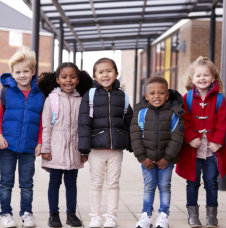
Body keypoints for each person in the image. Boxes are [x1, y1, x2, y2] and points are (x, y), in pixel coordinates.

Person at [78, 57, 133, 228]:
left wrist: (131, 144)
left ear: (116, 73)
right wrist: (84, 149)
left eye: (109, 71)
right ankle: (95, 216)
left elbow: (129, 120)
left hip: (116, 147)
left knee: (113, 183)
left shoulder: (122, 95)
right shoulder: (90, 95)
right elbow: (84, 121)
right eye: (100, 72)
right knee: (96, 183)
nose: (105, 75)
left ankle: (111, 216)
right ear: (95, 76)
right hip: (96, 148)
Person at [38, 62, 93, 227]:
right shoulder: (51, 100)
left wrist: (84, 151)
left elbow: (84, 128)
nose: (68, 80)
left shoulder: (81, 100)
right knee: (54, 183)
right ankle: (53, 214)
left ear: (77, 79)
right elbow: (47, 126)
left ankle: (71, 214)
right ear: (57, 79)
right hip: (55, 149)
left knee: (71, 184)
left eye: (72, 76)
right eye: (64, 77)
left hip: (74, 150)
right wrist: (46, 149)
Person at [176, 56, 226, 228]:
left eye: (206, 75)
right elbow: (183, 120)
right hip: (193, 148)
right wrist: (190, 138)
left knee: (211, 181)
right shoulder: (187, 98)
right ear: (192, 79)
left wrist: (218, 142)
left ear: (213, 78)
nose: (202, 79)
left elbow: (223, 122)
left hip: (212, 148)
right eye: (198, 76)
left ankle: (212, 216)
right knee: (192, 182)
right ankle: (193, 215)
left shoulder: (219, 99)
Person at [130, 76, 184, 228]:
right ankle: (146, 214)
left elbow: (177, 138)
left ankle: (163, 215)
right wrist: (142, 158)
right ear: (146, 96)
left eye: (161, 93)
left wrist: (167, 158)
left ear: (167, 95)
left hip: (166, 161)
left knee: (165, 186)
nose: (156, 96)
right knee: (148, 186)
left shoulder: (174, 114)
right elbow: (135, 136)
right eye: (152, 93)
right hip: (147, 160)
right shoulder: (141, 113)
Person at [0, 46, 44, 228]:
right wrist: (0, 134)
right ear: (12, 73)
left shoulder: (39, 95)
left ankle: (26, 212)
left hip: (28, 146)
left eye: (26, 71)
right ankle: (5, 213)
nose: (22, 75)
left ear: (33, 71)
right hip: (7, 145)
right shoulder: (6, 92)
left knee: (26, 183)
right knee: (6, 182)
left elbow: (42, 120)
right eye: (18, 72)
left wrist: (40, 142)